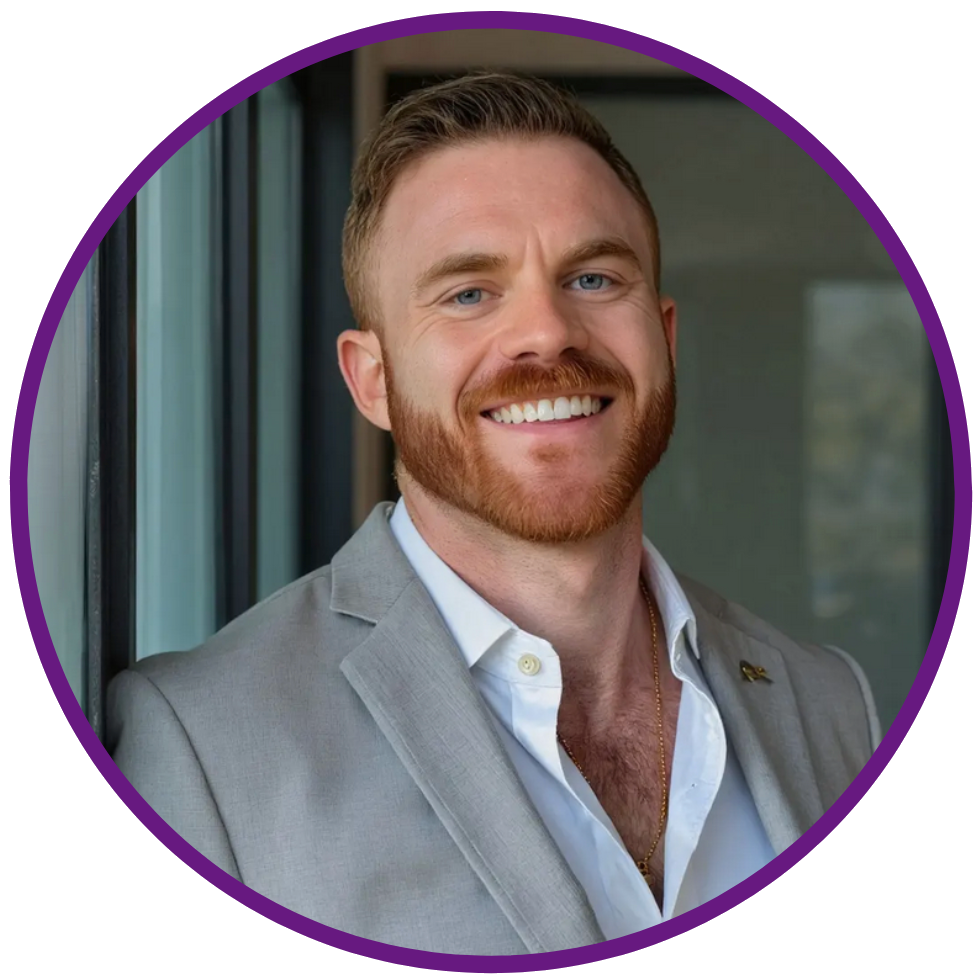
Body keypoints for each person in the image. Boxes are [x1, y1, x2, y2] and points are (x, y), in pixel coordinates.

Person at [108, 73, 880, 955]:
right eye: (469, 293)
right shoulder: (204, 746)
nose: (547, 332)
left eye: (593, 277)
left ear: (665, 341)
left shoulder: (831, 703)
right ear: (373, 381)